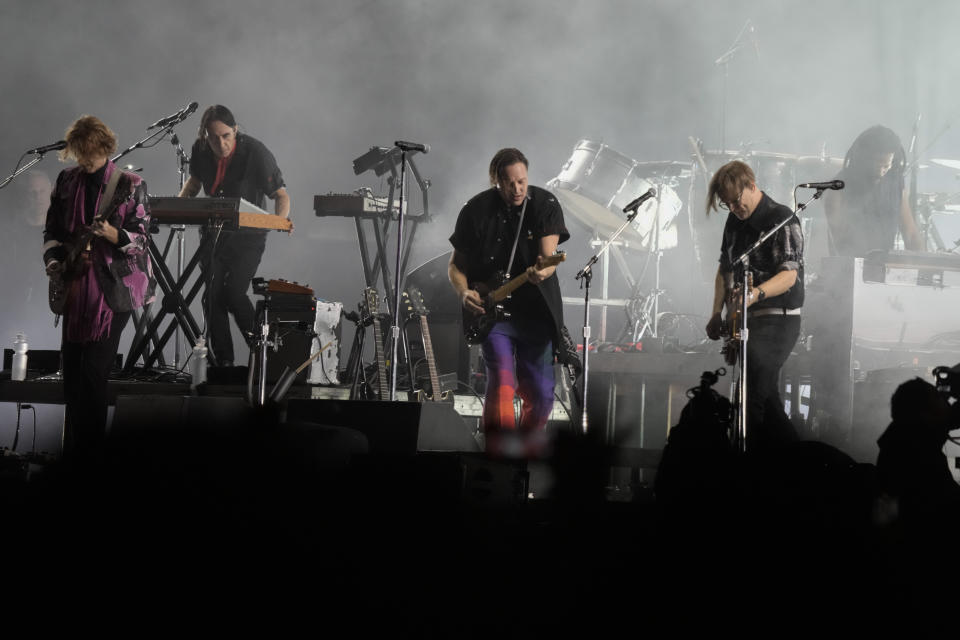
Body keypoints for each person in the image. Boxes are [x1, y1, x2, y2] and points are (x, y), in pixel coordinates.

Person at [42, 115, 155, 461]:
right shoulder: (66, 181)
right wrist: (53, 260)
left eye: (90, 152)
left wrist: (115, 235)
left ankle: (92, 458)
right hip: (76, 284)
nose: (85, 160)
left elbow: (143, 239)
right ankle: (78, 452)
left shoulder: (130, 184)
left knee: (93, 376)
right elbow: (52, 230)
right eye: (79, 152)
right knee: (73, 379)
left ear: (105, 148)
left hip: (114, 289)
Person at [448, 148, 569, 458]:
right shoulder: (474, 211)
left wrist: (543, 270)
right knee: (501, 384)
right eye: (509, 182)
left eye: (522, 181)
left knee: (541, 395)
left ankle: (525, 458)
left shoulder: (545, 205)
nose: (517, 189)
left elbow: (549, 258)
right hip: (495, 315)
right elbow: (456, 266)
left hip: (536, 313)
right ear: (496, 181)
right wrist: (464, 293)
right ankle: (499, 459)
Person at [178, 105, 291, 366]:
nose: (221, 143)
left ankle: (264, 355)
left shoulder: (255, 152)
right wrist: (177, 208)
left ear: (235, 130)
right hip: (213, 234)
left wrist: (279, 221)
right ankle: (223, 365)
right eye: (214, 137)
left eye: (226, 136)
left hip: (248, 237)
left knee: (234, 294)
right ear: (205, 136)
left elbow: (281, 195)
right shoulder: (200, 149)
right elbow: (194, 183)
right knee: (211, 297)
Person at [704, 160, 803, 452]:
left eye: (736, 201)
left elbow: (789, 276)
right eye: (727, 204)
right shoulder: (734, 222)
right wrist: (716, 313)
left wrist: (755, 294)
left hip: (779, 319)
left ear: (752, 185)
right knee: (767, 401)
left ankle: (750, 469)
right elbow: (725, 269)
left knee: (752, 398)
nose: (734, 208)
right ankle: (798, 462)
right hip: (749, 322)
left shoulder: (781, 218)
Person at [823, 125, 922, 257]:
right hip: (850, 269)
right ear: (863, 158)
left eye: (886, 165)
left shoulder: (895, 183)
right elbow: (841, 243)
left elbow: (911, 235)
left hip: (885, 266)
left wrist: (924, 265)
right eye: (877, 164)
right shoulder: (837, 188)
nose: (882, 171)